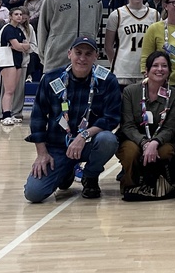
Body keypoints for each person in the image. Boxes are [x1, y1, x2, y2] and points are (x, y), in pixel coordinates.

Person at [24, 36, 121, 201]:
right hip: (58, 146)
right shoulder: (51, 79)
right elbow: (38, 118)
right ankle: (66, 171)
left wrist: (84, 136)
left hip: (90, 143)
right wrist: (41, 153)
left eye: (88, 54)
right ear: (69, 54)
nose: (82, 58)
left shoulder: (107, 80)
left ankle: (90, 176)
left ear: (96, 56)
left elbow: (111, 118)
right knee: (33, 194)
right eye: (78, 53)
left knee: (108, 139)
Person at [116, 50, 175, 199]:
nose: (160, 69)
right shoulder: (130, 92)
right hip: (133, 139)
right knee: (131, 152)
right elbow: (127, 125)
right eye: (155, 65)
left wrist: (155, 142)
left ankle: (155, 183)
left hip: (161, 140)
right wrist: (144, 143)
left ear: (170, 71)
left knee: (165, 151)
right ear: (146, 71)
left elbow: (170, 128)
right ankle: (130, 185)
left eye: (164, 66)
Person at [37, 0, 103, 71]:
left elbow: (95, 29)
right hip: (56, 61)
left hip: (84, 63)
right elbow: (43, 30)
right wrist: (44, 56)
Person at [105, 0, 159, 87]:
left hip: (146, 71)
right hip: (123, 72)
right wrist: (116, 64)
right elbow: (108, 46)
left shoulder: (155, 15)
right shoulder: (117, 14)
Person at [0, 7, 31, 125]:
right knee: (9, 90)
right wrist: (22, 46)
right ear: (10, 16)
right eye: (16, 14)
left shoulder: (19, 30)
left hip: (17, 61)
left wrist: (22, 46)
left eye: (21, 14)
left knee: (13, 90)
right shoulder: (8, 29)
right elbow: (18, 46)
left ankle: (10, 113)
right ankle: (5, 115)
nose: (19, 16)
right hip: (8, 61)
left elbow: (27, 46)